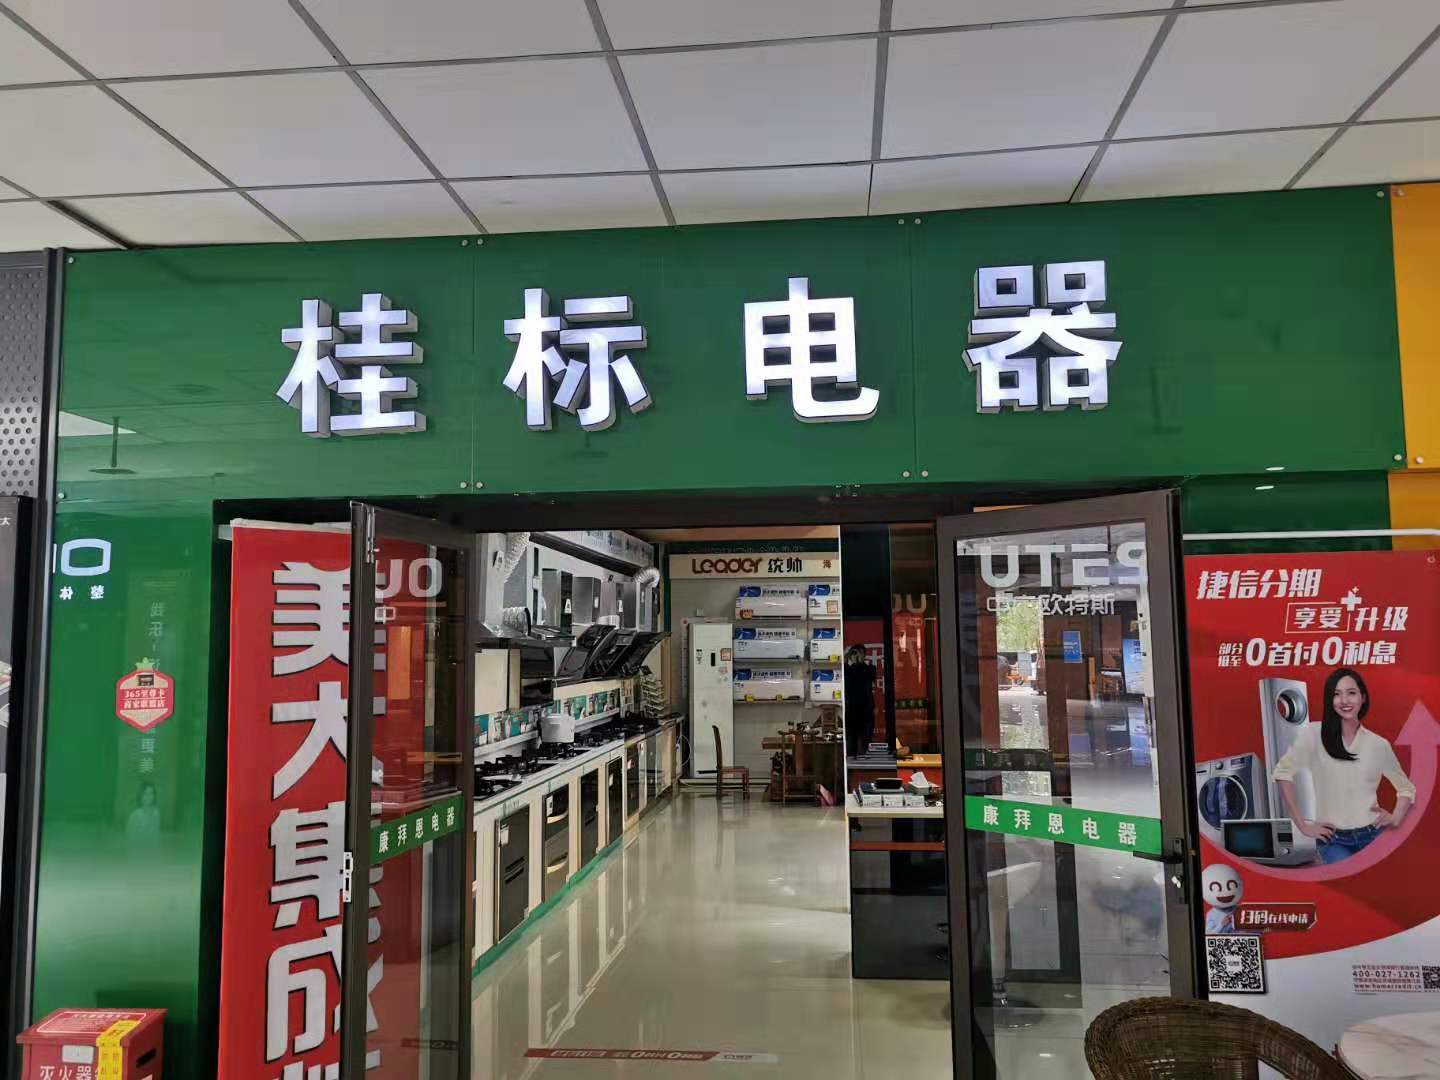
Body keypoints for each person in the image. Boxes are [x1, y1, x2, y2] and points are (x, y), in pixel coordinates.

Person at [1272, 667, 1415, 865]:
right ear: (1330, 700)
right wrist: (1302, 825)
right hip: (1333, 839)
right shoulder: (1314, 733)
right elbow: (1282, 773)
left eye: (1351, 693)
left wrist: (1396, 817)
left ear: (1363, 698)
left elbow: (1406, 788)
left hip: (1372, 834)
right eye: (1337, 694)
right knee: (1347, 877)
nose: (1344, 700)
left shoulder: (1378, 744)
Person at [843, 646, 876, 759]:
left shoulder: (869, 668)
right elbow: (845, 675)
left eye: (859, 653)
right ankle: (851, 756)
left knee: (866, 736)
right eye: (854, 653)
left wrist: (860, 662)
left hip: (866, 708)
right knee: (851, 735)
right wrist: (846, 661)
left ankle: (867, 757)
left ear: (864, 655)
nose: (856, 656)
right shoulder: (849, 669)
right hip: (851, 708)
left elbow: (870, 676)